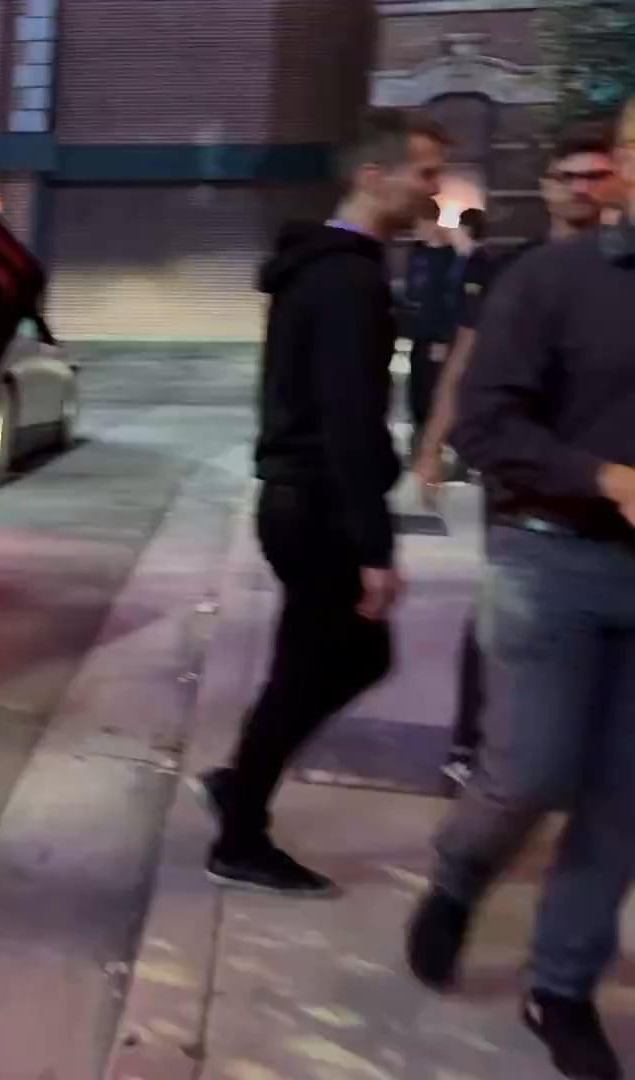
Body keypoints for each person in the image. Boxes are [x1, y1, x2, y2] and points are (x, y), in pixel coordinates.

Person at [406, 99, 635, 1080]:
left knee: (625, 799)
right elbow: (484, 426)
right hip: (551, 558)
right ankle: (461, 874)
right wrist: (604, 477)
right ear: (628, 166)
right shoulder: (549, 279)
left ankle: (561, 986)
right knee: (531, 772)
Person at [189, 108, 445, 896]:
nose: (433, 191)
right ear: (374, 176)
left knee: (314, 664)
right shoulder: (348, 281)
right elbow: (348, 421)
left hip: (297, 500)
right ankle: (240, 833)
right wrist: (375, 547)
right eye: (424, 174)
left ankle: (240, 787)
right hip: (319, 507)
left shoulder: (324, 269)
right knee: (341, 660)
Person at [413, 123, 624, 789]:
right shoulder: (515, 269)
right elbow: (466, 367)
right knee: (506, 613)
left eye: (596, 175)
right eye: (569, 176)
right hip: (529, 488)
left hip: (616, 506)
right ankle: (474, 746)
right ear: (546, 186)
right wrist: (431, 448)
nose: (582, 189)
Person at [399, 201, 461, 454]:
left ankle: (438, 443)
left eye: (419, 225)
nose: (416, 231)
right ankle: (420, 439)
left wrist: (443, 337)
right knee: (417, 389)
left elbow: (451, 299)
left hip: (438, 335)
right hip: (419, 333)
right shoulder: (418, 253)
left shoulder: (450, 257)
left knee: (436, 388)